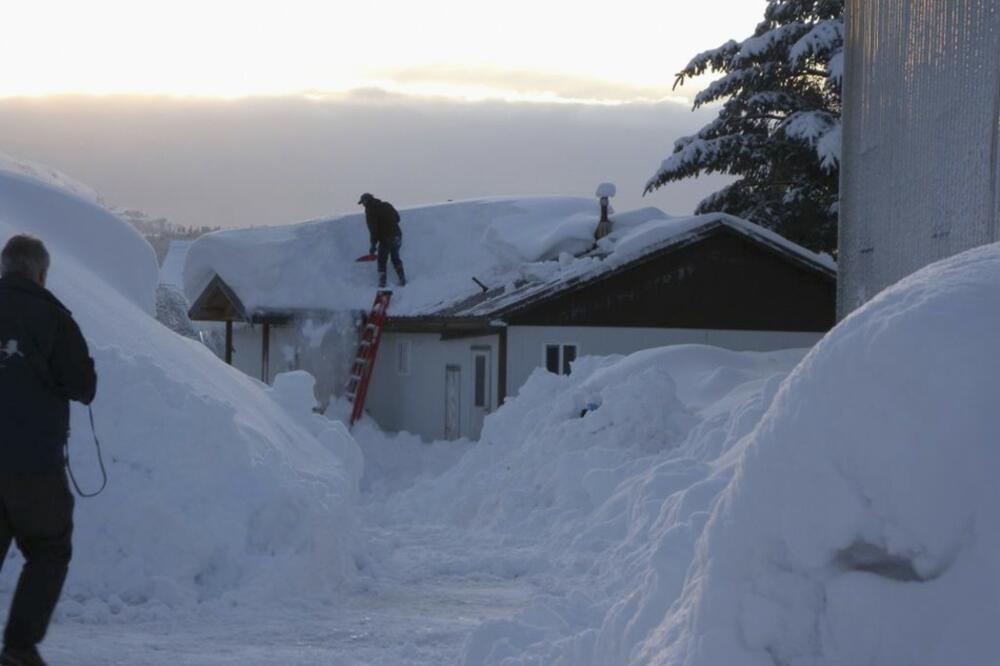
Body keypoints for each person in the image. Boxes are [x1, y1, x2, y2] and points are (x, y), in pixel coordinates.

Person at [0, 235, 97, 666]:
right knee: (48, 548)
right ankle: (19, 648)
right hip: (33, 464)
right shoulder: (54, 317)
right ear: (41, 274)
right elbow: (83, 386)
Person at [358, 193, 406, 288]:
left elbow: (373, 230)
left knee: (382, 260)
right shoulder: (386, 204)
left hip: (386, 238)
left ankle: (382, 284)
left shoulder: (370, 211)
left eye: (363, 203)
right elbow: (397, 218)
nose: (363, 205)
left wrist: (373, 245)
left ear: (366, 201)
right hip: (397, 235)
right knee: (395, 258)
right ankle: (402, 279)